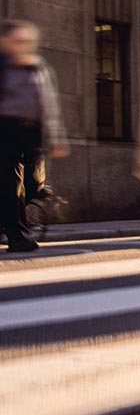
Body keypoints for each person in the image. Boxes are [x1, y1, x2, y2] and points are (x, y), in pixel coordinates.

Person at [0, 20, 67, 253]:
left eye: (27, 42)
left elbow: (49, 103)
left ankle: (5, 222)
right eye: (18, 41)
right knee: (11, 184)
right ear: (5, 42)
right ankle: (17, 235)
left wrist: (57, 136)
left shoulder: (37, 66)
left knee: (35, 185)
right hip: (5, 129)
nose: (23, 46)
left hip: (33, 133)